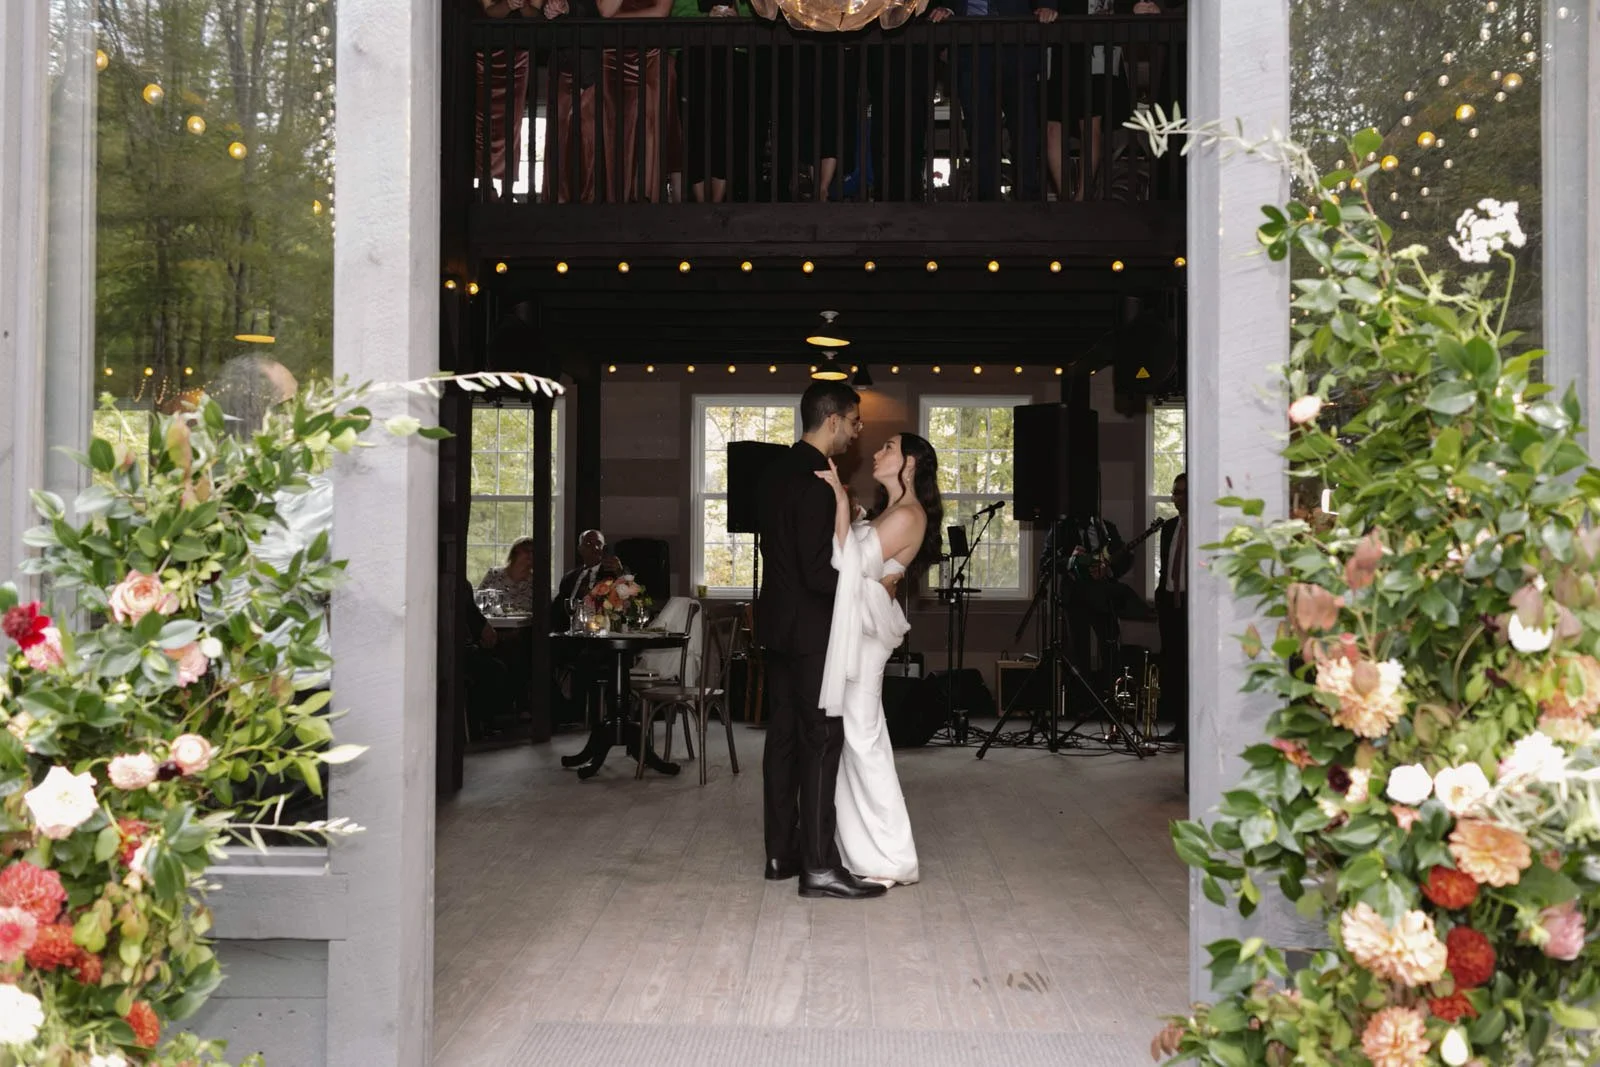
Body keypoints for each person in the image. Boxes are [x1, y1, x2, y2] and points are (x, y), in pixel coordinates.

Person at [756, 380, 886, 900]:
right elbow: (817, 573)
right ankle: (819, 867)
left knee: (782, 739)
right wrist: (862, 583)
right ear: (831, 420)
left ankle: (779, 854)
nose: (855, 434)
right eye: (854, 422)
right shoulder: (815, 482)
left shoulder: (771, 475)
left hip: (776, 627)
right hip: (812, 632)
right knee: (820, 741)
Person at [813, 432, 941, 887]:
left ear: (910, 463)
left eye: (889, 447)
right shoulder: (892, 511)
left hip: (867, 636)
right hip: (860, 627)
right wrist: (857, 513)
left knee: (864, 738)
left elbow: (850, 563)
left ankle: (891, 857)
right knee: (854, 737)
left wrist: (842, 507)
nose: (877, 452)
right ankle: (861, 849)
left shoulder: (907, 514)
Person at [929, 0, 1057, 201]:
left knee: (1025, 128)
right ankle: (986, 203)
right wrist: (948, 6)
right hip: (972, 46)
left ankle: (1028, 202)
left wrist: (1047, 4)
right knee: (980, 131)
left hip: (1017, 42)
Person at [1156, 472, 1186, 745]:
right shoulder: (1169, 527)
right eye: (1175, 492)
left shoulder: (1203, 526)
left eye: (1183, 492)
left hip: (1192, 604)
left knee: (1191, 666)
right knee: (1173, 665)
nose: (1178, 498)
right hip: (1169, 603)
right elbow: (1166, 568)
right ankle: (1178, 725)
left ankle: (1192, 726)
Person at [550, 529, 626, 631]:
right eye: (589, 543)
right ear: (580, 549)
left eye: (599, 543)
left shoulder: (613, 573)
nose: (595, 548)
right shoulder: (569, 577)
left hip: (599, 631)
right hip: (568, 633)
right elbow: (557, 609)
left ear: (604, 548)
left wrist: (620, 573)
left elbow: (629, 594)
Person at [479, 538, 539, 615]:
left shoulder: (537, 581)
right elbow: (478, 603)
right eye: (526, 550)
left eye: (533, 552)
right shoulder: (494, 574)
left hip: (527, 626)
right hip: (495, 624)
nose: (530, 555)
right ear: (515, 552)